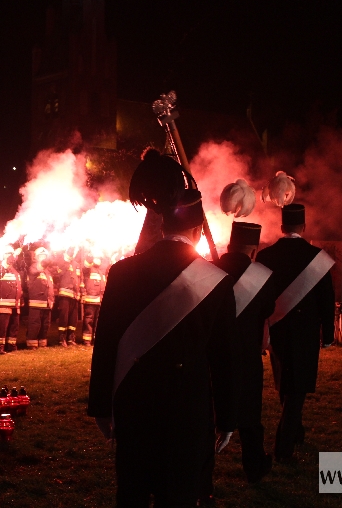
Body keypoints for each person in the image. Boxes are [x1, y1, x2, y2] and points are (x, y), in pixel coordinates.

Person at [88, 150, 239, 507]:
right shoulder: (215, 281)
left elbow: (105, 344)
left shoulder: (122, 272)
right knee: (182, 496)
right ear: (198, 228)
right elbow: (225, 357)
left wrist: (101, 407)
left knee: (133, 494)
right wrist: (229, 418)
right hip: (188, 411)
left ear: (163, 223)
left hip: (135, 405)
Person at [256, 204, 335, 463]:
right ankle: (284, 449)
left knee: (286, 383)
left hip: (277, 328)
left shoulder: (266, 256)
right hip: (305, 332)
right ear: (303, 228)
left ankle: (296, 432)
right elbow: (326, 299)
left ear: (282, 228)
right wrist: (329, 333)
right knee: (297, 389)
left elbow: (260, 296)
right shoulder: (316, 256)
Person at [215, 222, 275, 483]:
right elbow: (267, 310)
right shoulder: (262, 276)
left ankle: (204, 481)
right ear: (253, 250)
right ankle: (254, 467)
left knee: (209, 415)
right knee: (250, 417)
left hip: (212, 355)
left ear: (229, 246)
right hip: (247, 355)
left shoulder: (208, 270)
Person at [0, 248, 22, 354]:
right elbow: (2, 270)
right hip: (4, 303)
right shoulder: (0, 267)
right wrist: (13, 254)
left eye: (11, 254)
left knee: (14, 325)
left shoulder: (14, 270)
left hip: (15, 303)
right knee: (2, 326)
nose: (11, 256)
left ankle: (11, 345)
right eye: (8, 254)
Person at [25, 247, 54, 350]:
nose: (43, 258)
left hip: (46, 302)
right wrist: (46, 261)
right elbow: (38, 268)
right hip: (36, 302)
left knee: (45, 324)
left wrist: (51, 299)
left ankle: (42, 342)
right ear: (36, 258)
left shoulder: (47, 272)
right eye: (41, 256)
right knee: (35, 323)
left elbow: (50, 286)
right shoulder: (33, 267)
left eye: (45, 256)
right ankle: (32, 343)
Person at [54, 247, 80, 347]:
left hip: (75, 295)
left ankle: (71, 338)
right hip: (64, 294)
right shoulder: (61, 262)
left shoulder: (76, 264)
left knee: (73, 318)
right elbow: (59, 274)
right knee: (63, 317)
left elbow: (79, 279)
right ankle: (62, 338)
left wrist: (80, 292)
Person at [81, 253, 105, 346]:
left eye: (100, 258)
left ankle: (95, 339)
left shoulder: (101, 272)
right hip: (90, 300)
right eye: (97, 258)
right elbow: (87, 264)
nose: (98, 260)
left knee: (98, 321)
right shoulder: (88, 270)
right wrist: (91, 252)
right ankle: (86, 340)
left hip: (99, 300)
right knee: (89, 320)